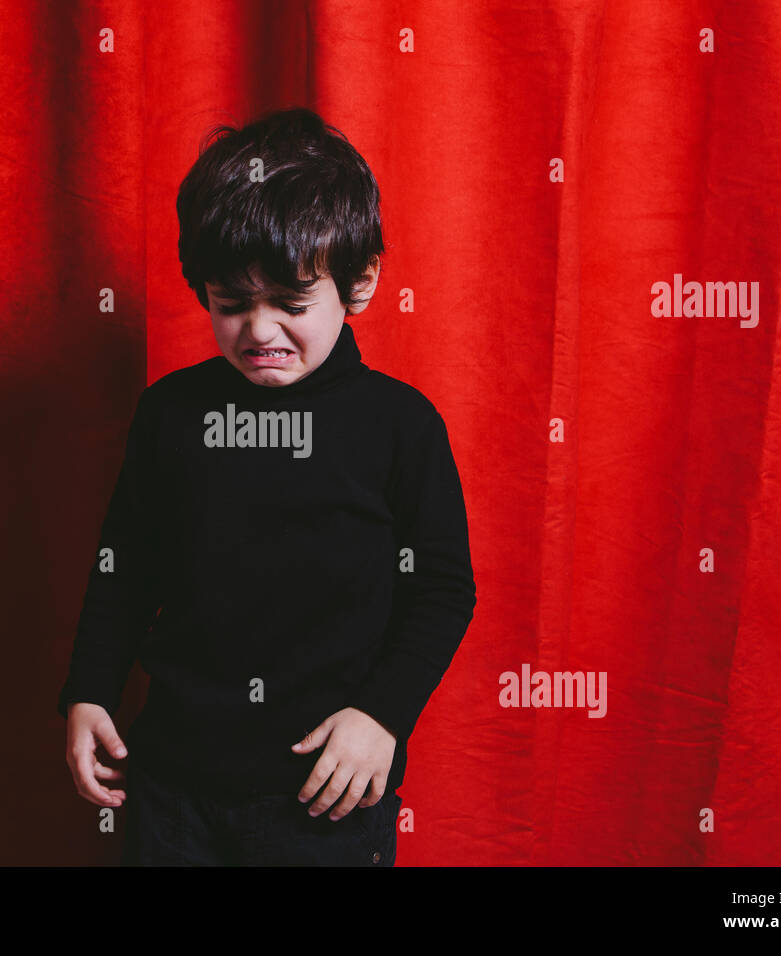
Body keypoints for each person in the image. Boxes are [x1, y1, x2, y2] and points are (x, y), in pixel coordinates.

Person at [57, 106, 476, 866]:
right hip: (173, 791)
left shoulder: (400, 426)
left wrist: (381, 716)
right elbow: (124, 566)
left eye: (290, 303)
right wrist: (89, 690)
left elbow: (443, 589)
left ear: (359, 284)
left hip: (325, 800)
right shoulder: (171, 415)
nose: (259, 331)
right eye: (231, 303)